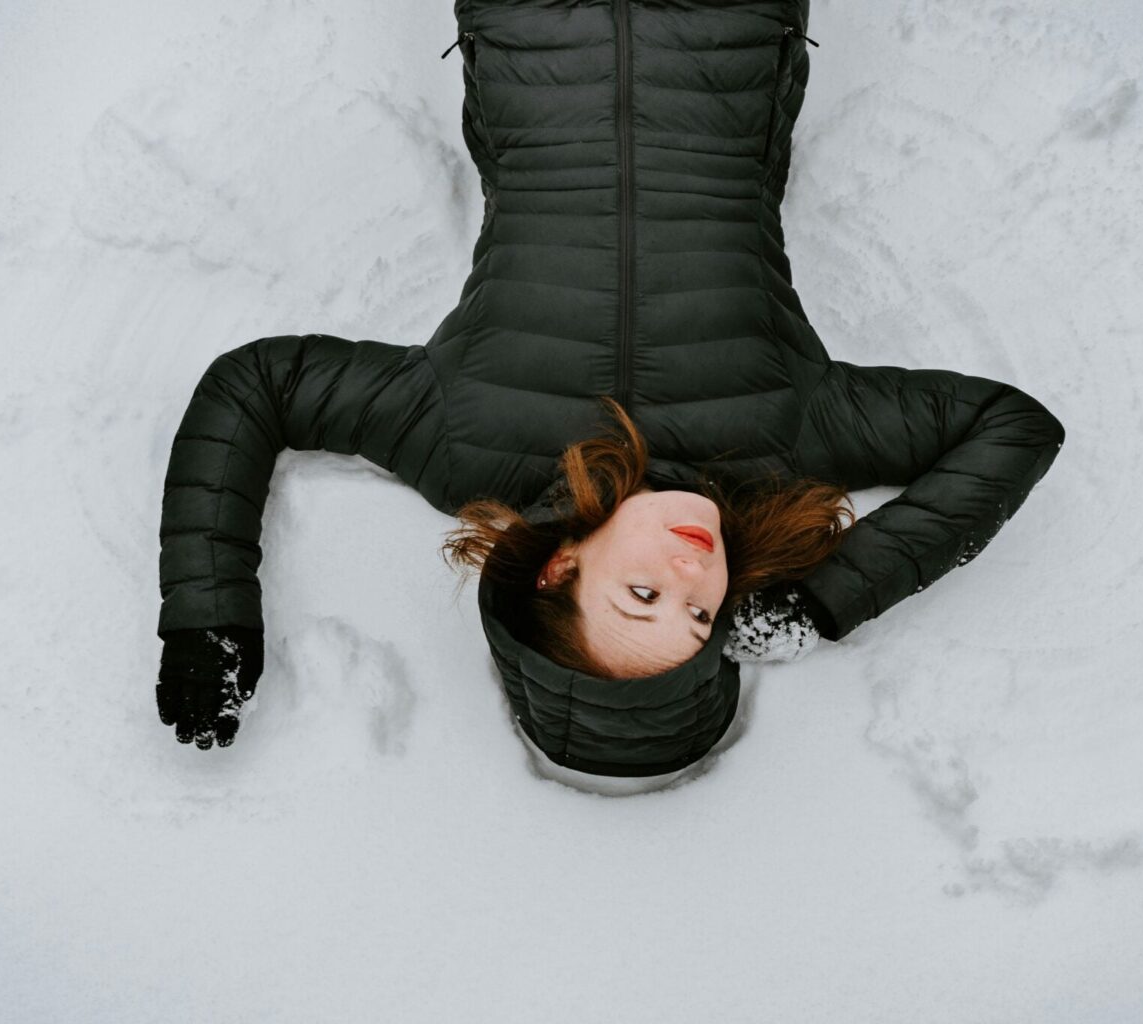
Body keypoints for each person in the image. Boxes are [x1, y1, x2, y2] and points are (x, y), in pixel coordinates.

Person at [154, 0, 1067, 782]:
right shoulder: (793, 444)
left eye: (642, 597)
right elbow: (1010, 427)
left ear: (559, 569)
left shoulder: (458, 438)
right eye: (706, 612)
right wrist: (829, 596)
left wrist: (209, 612)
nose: (690, 576)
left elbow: (259, 384)